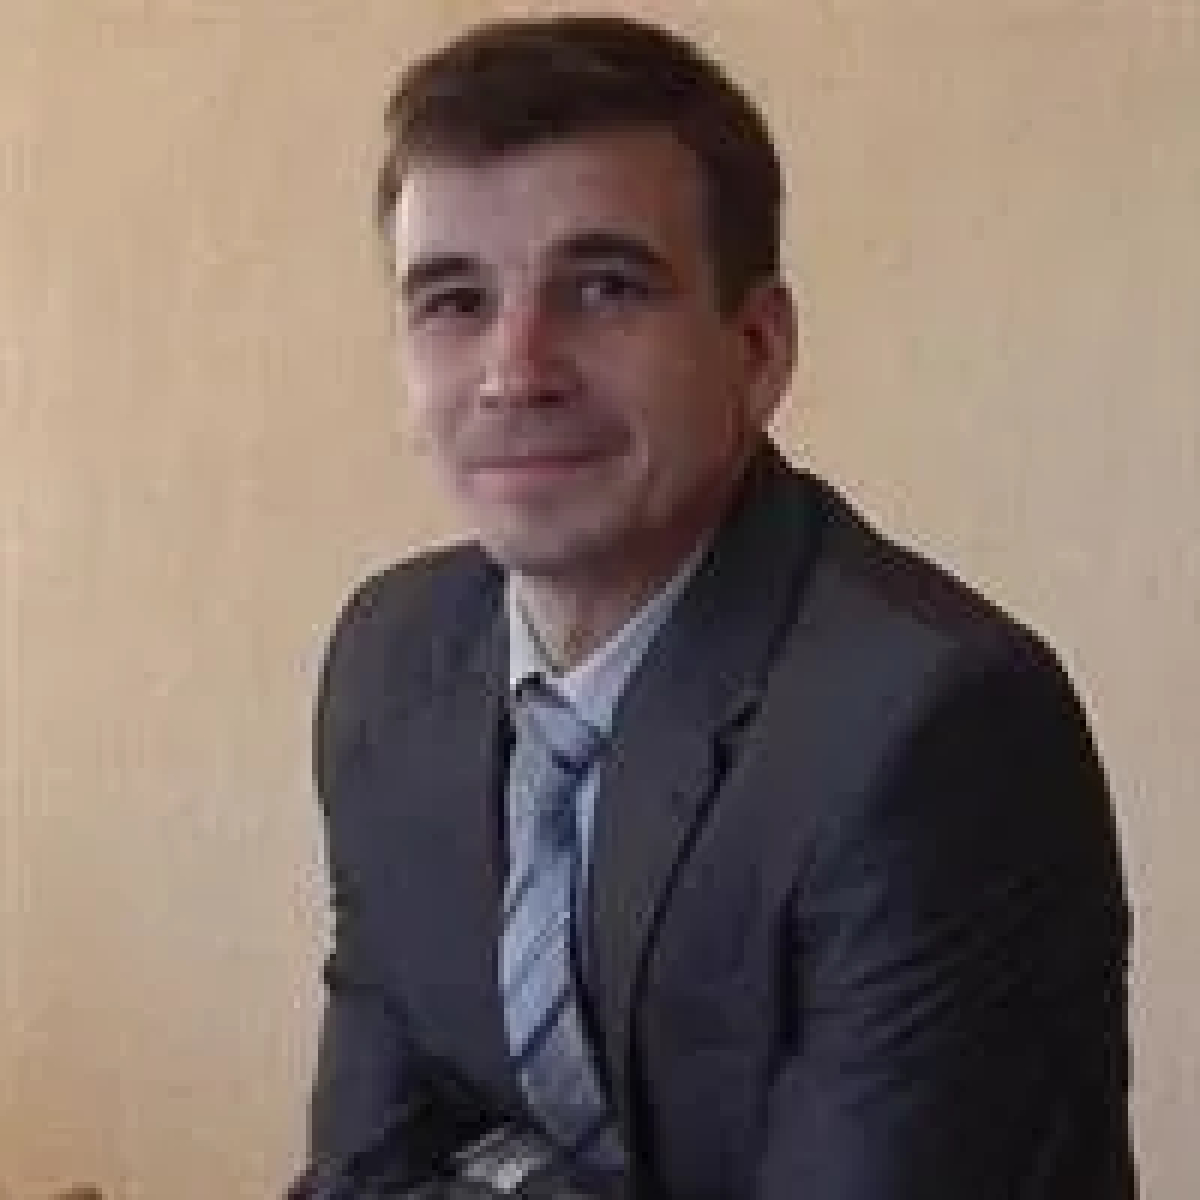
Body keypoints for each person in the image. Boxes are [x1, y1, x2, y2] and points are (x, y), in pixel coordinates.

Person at [295, 14, 1136, 1199]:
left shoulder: (934, 729)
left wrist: (502, 1175)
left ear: (756, 348)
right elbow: (364, 1171)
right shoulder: (392, 660)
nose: (516, 370)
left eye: (603, 288)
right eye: (454, 300)